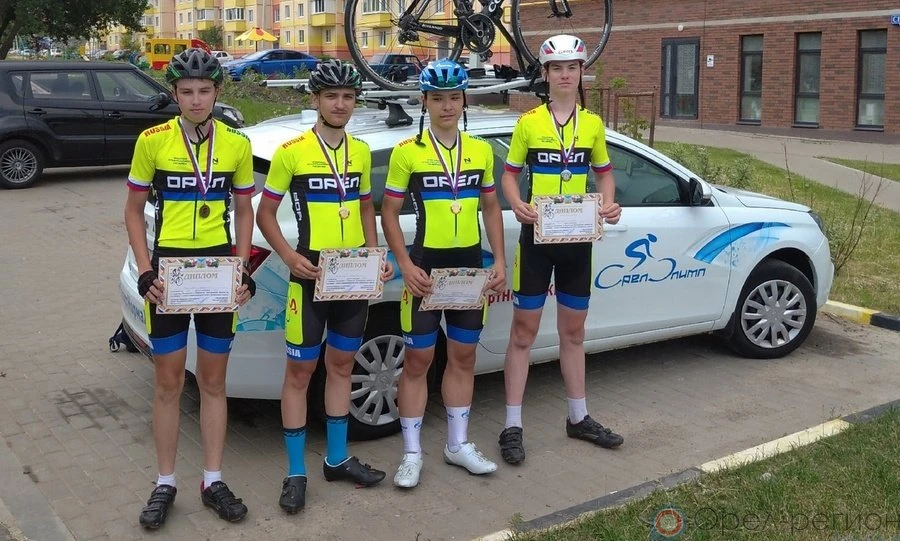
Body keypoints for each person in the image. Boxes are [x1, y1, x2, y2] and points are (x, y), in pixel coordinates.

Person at [124, 48, 255, 529]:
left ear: (217, 92)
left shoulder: (236, 144)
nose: (196, 100)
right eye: (186, 92)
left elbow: (245, 210)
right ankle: (165, 483)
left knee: (214, 382)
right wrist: (145, 271)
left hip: (218, 270)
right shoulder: (152, 141)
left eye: (204, 91)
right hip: (169, 274)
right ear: (175, 94)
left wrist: (243, 269)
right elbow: (132, 211)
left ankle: (212, 480)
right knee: (168, 383)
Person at [256, 59, 393, 514]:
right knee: (299, 374)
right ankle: (296, 472)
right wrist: (289, 256)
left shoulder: (361, 151)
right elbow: (264, 214)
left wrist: (375, 255)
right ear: (315, 100)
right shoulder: (291, 152)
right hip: (309, 274)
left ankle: (336, 459)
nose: (340, 104)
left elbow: (365, 207)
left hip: (352, 275)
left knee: (342, 366)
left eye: (348, 97)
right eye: (331, 96)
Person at [498, 35, 624, 465]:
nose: (565, 75)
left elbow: (604, 174)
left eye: (573, 67)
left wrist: (608, 203)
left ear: (581, 72)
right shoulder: (529, 122)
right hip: (537, 240)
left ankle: (578, 417)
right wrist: (516, 203)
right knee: (523, 334)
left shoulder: (592, 124)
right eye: (557, 68)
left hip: (577, 241)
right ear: (546, 74)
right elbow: (509, 176)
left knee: (574, 334)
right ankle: (512, 425)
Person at [381, 59, 507, 488]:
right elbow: (389, 213)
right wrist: (405, 264)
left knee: (463, 357)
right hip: (425, 269)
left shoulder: (481, 150)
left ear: (464, 100)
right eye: (438, 98)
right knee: (418, 360)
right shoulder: (406, 152)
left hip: (469, 268)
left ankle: (457, 444)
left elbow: (491, 207)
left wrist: (500, 262)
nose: (447, 106)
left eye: (454, 97)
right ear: (425, 102)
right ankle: (411, 453)